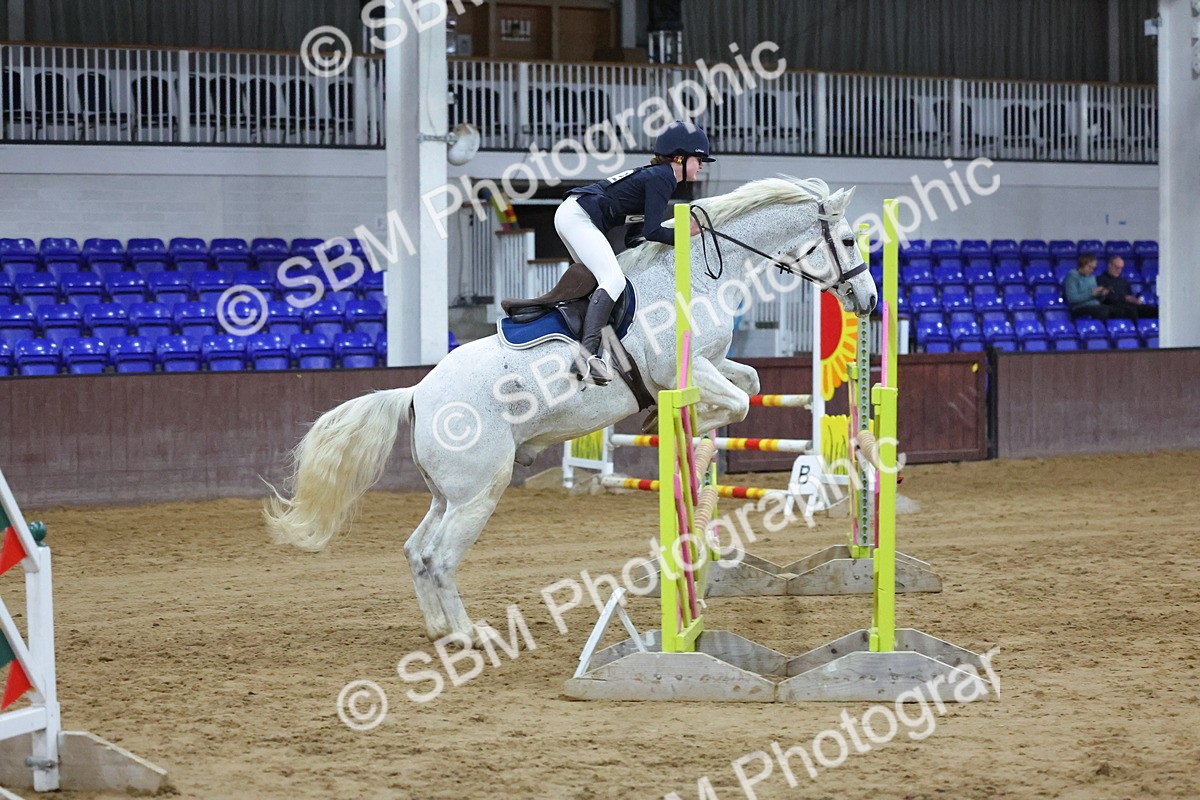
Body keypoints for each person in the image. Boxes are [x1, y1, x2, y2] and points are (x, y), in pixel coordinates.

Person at [555, 120, 715, 384]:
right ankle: (586, 355)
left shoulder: (655, 177)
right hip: (578, 217)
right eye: (698, 160)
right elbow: (653, 232)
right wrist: (685, 234)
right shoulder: (663, 177)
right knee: (614, 280)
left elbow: (635, 237)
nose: (700, 166)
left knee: (599, 284)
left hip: (573, 214)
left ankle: (582, 346)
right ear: (680, 157)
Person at [1063, 253, 1133, 321]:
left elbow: (1097, 297)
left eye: (1094, 268)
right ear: (1082, 264)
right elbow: (1072, 299)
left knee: (1117, 310)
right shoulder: (1072, 277)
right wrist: (1092, 294)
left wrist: (1102, 294)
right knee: (1103, 311)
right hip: (1080, 307)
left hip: (1095, 305)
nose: (1092, 270)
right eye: (1089, 267)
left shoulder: (1092, 277)